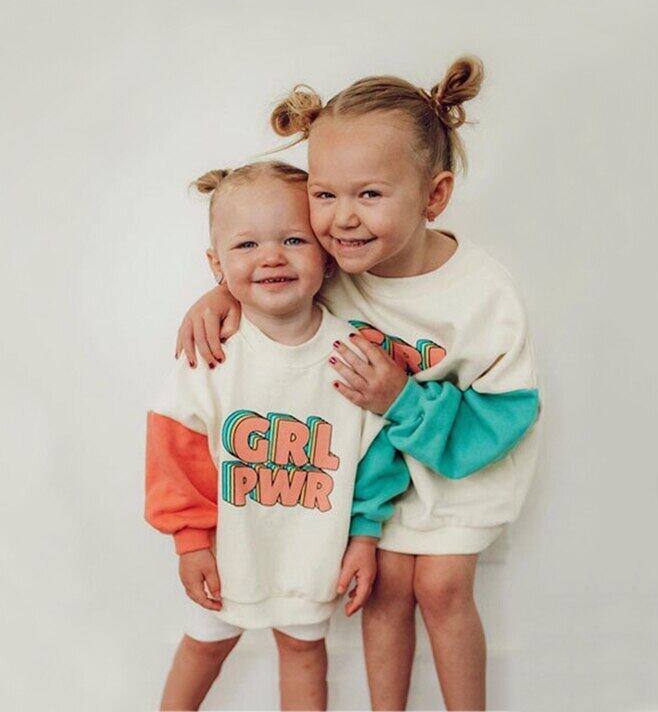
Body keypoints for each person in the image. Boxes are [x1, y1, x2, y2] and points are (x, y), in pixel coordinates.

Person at [174, 56, 542, 711]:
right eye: (325, 195)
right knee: (388, 585)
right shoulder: (336, 270)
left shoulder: (483, 294)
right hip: (379, 470)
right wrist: (220, 295)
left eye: (369, 195)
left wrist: (402, 398)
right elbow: (274, 279)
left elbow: (507, 415)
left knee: (440, 587)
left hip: (467, 460)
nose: (342, 219)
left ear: (434, 196)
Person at [145, 160, 410, 711]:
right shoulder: (211, 353)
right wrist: (189, 541)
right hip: (227, 552)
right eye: (247, 245)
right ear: (216, 265)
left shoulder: (354, 354)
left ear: (326, 256)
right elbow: (175, 453)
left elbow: (376, 455)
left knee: (304, 652)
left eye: (293, 240)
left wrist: (364, 537)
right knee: (204, 647)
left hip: (310, 553)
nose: (271, 257)